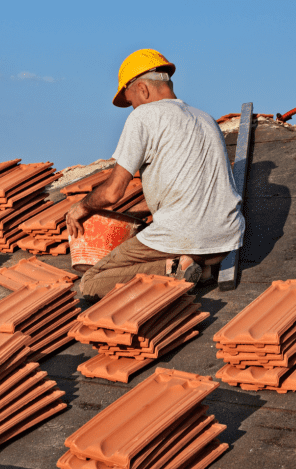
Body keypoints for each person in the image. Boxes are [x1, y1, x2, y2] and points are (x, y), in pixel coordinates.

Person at [66, 48, 244, 300]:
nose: (132, 108)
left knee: (91, 283)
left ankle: (173, 268)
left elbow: (113, 192)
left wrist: (81, 208)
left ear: (142, 89)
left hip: (184, 236)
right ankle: (199, 270)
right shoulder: (205, 118)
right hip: (226, 240)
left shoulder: (144, 116)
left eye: (130, 101)